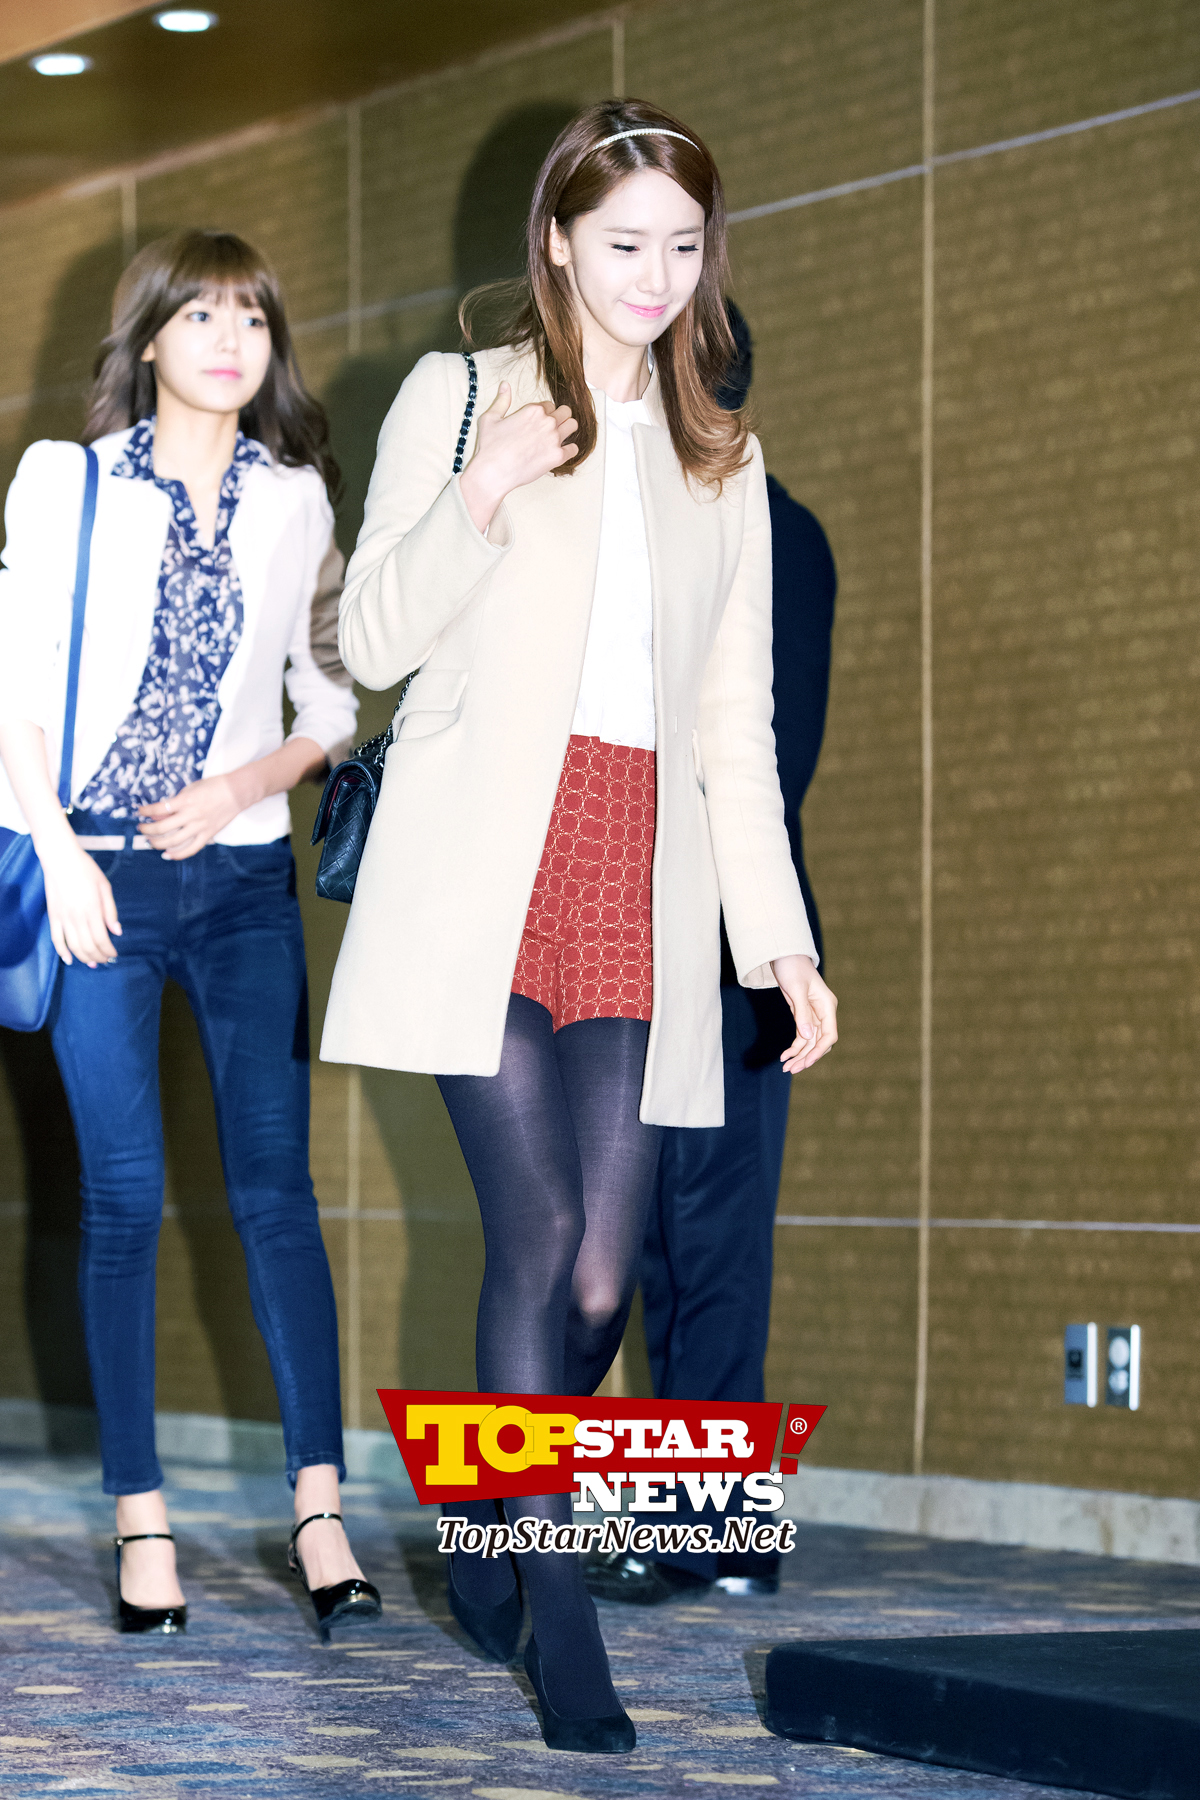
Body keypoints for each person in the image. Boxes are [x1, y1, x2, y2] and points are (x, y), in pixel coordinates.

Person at [322, 100, 838, 1752]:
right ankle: (562, 1633)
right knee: (537, 1231)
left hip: (636, 859)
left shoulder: (721, 457)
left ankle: (490, 1530)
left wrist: (778, 946)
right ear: (556, 239)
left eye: (683, 246)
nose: (654, 275)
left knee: (606, 1272)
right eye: (624, 243)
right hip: (484, 853)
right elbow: (369, 640)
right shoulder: (460, 395)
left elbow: (735, 731)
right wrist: (480, 493)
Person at [0, 229, 379, 1638]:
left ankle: (320, 1512)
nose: (231, 340)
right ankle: (140, 1522)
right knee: (122, 1197)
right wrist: (58, 853)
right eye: (202, 315)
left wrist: (241, 784)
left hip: (239, 882)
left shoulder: (295, 499)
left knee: (277, 1192)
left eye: (253, 318)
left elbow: (330, 701)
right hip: (94, 874)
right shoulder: (69, 480)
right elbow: (11, 680)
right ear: (150, 336)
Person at [586, 302, 837, 1607]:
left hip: (729, 939)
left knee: (701, 1239)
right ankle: (714, 1522)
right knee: (668, 1241)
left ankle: (711, 1525)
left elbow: (761, 763)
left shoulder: (763, 531)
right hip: (666, 932)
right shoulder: (694, 524)